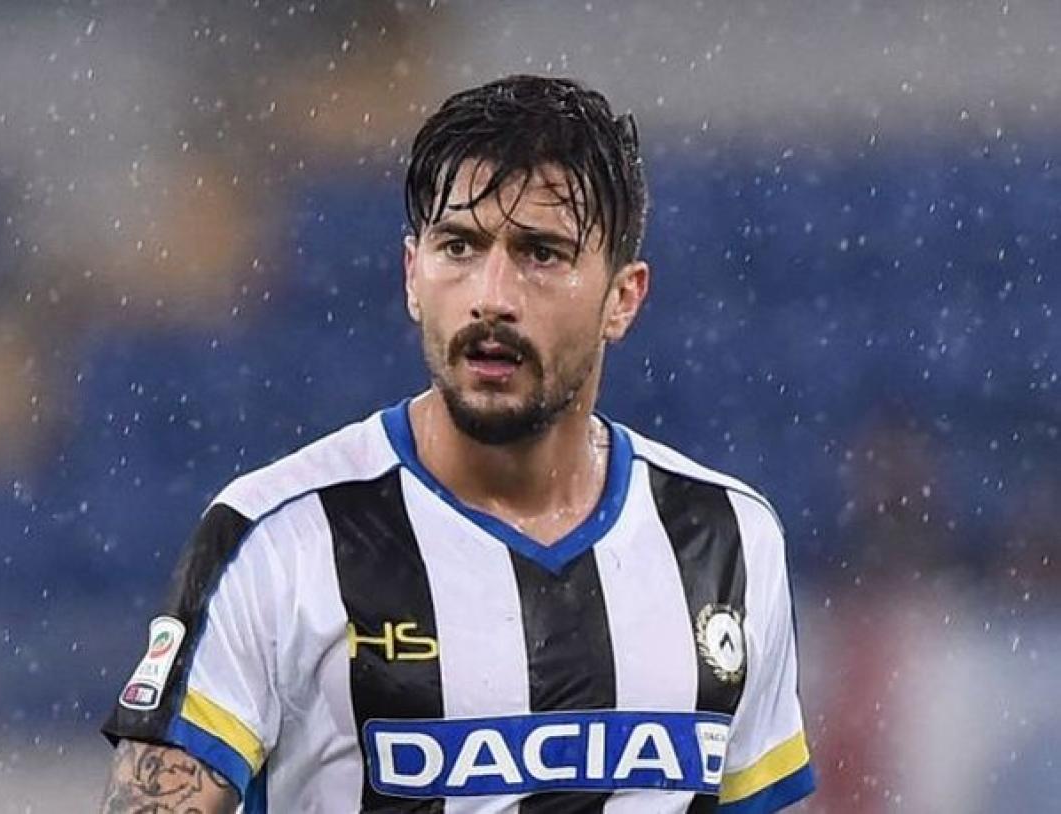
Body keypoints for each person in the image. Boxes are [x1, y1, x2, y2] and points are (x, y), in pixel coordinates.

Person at [99, 74, 816, 814]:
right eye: (459, 246)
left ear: (622, 298)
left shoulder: (730, 539)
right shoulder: (278, 536)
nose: (492, 297)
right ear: (413, 275)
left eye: (542, 253)